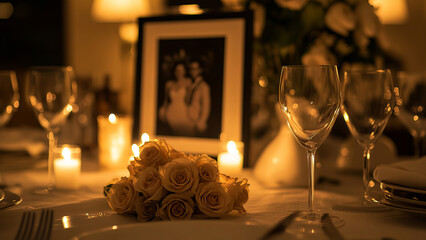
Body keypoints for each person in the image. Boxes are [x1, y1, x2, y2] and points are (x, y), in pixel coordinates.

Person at [158, 61, 195, 136]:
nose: (179, 72)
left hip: (183, 111)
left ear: (184, 71)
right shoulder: (169, 84)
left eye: (181, 70)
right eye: (177, 70)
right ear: (174, 71)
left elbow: (189, 99)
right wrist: (163, 111)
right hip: (171, 112)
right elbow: (166, 100)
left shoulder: (188, 82)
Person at [187, 60, 211, 134]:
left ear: (200, 70)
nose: (193, 71)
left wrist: (201, 122)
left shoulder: (204, 87)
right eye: (191, 69)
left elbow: (206, 106)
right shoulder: (190, 84)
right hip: (188, 120)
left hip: (196, 122)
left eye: (195, 69)